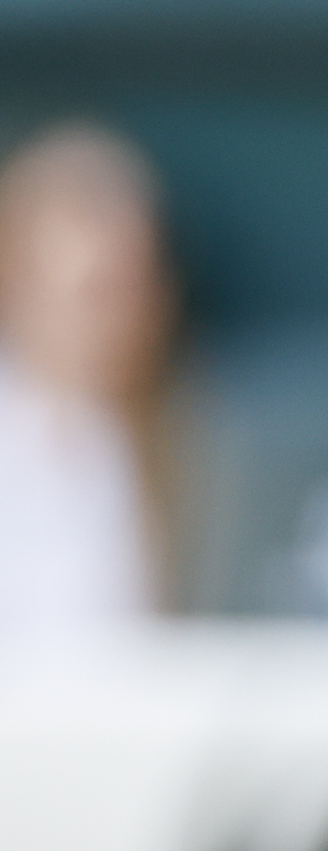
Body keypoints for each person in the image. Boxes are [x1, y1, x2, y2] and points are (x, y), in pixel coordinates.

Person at [0, 123, 176, 636]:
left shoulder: (165, 430)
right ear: (18, 282)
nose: (126, 319)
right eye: (97, 293)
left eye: (137, 287)